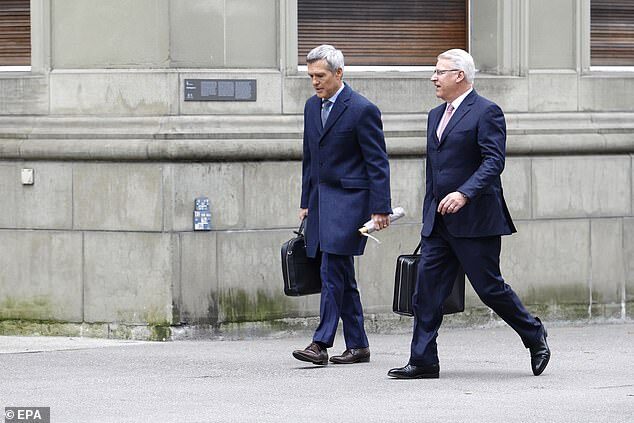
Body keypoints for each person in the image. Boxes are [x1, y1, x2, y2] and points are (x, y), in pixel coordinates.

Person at [388, 49, 550, 379]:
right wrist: (429, 212)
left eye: (439, 71)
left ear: (459, 76)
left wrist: (464, 193)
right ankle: (423, 360)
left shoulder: (487, 112)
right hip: (439, 222)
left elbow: (494, 161)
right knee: (425, 292)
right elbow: (434, 169)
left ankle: (534, 335)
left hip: (476, 220)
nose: (434, 77)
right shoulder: (434, 115)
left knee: (490, 289)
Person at [292, 44, 392, 366]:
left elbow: (377, 163)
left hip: (350, 204)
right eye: (311, 77)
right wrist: (306, 201)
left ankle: (320, 343)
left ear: (338, 73)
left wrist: (381, 208)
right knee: (342, 276)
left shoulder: (362, 109)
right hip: (321, 205)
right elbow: (310, 159)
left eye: (320, 76)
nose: (315, 82)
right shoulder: (311, 107)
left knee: (331, 270)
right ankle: (359, 345)